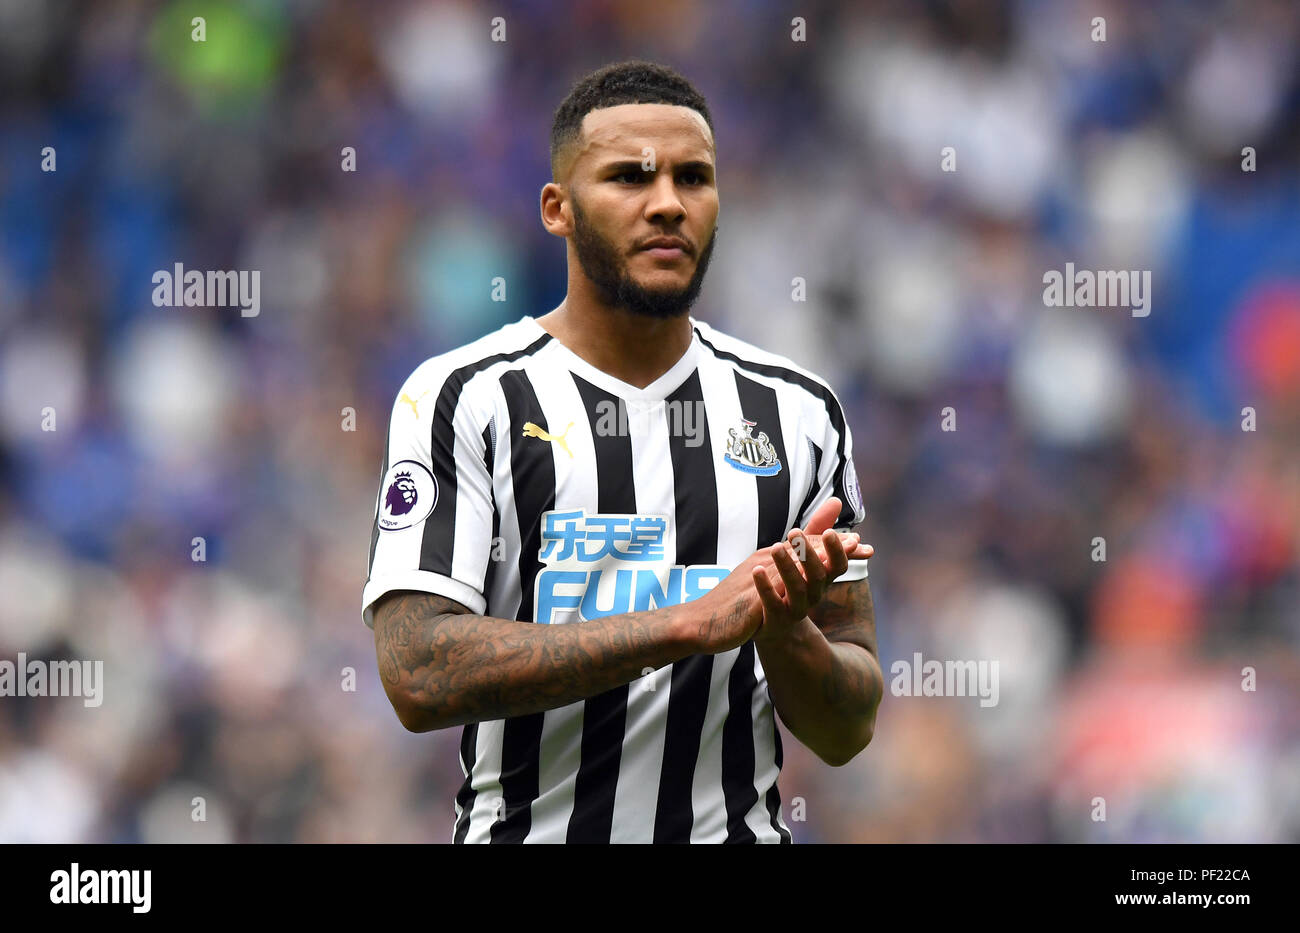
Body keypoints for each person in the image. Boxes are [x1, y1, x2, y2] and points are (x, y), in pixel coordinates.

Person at [362, 60, 882, 843]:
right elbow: (415, 671)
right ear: (557, 209)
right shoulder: (466, 397)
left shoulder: (800, 413)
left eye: (693, 178)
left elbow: (848, 729)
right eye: (629, 178)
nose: (667, 203)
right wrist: (683, 625)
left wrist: (782, 627)